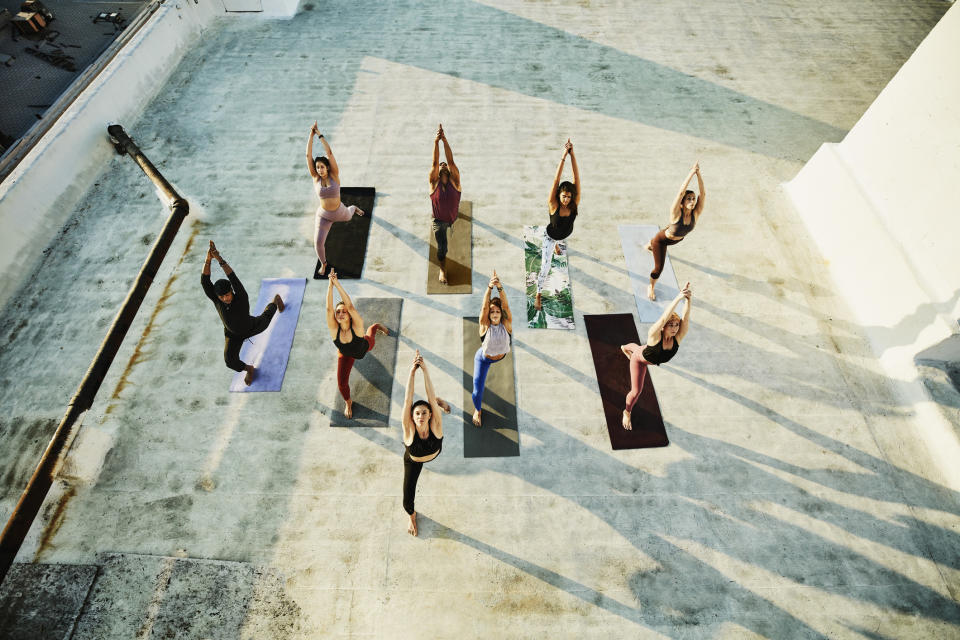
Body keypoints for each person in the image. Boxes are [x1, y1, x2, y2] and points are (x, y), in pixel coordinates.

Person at [201, 241, 284, 385]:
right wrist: (208, 259)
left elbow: (232, 276)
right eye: (222, 297)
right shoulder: (217, 300)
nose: (225, 299)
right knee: (230, 361)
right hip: (232, 334)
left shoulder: (240, 295)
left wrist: (219, 259)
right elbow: (205, 281)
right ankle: (249, 369)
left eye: (227, 295)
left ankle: (275, 301)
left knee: (267, 317)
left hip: (251, 326)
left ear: (231, 291)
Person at [620, 282, 692, 430]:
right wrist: (678, 298)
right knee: (636, 391)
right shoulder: (655, 335)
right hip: (640, 361)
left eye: (676, 325)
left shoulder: (677, 338)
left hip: (647, 352)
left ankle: (625, 348)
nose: (674, 328)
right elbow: (663, 317)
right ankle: (626, 412)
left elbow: (686, 318)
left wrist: (688, 300)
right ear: (664, 326)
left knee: (638, 347)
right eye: (670, 325)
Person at [326, 269, 389, 418]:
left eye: (343, 311)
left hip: (363, 347)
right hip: (346, 354)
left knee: (371, 332)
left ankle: (376, 325)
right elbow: (329, 308)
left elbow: (351, 306)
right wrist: (330, 285)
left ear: (348, 314)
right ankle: (348, 402)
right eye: (338, 312)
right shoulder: (335, 329)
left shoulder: (357, 326)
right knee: (341, 384)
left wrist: (337, 284)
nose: (340, 314)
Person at [401, 350, 451, 536]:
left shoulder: (435, 426)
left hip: (431, 451)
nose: (420, 416)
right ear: (412, 418)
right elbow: (408, 400)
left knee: (433, 400)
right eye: (417, 413)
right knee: (407, 501)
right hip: (413, 461)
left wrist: (425, 370)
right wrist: (413, 372)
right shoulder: (409, 430)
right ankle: (412, 517)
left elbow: (430, 398)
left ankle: (440, 403)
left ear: (430, 414)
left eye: (424, 412)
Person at [307, 121, 365, 277]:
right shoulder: (315, 178)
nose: (319, 170)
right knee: (318, 243)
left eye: (322, 167)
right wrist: (310, 136)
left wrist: (319, 134)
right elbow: (308, 155)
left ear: (327, 167)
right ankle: (324, 263)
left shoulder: (334, 176)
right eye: (317, 167)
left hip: (340, 212)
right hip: (324, 215)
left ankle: (354, 207)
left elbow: (330, 153)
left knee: (349, 213)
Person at [645, 162, 705, 301]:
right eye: (689, 199)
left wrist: (699, 174)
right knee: (658, 269)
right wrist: (691, 172)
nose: (692, 201)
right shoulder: (675, 212)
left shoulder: (695, 214)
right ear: (683, 202)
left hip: (677, 238)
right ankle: (651, 287)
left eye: (693, 199)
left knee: (668, 230)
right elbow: (680, 192)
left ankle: (650, 244)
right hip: (662, 241)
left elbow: (703, 193)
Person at [535, 138, 580, 310]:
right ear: (559, 195)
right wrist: (564, 155)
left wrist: (573, 154)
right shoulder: (553, 204)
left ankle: (557, 245)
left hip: (563, 235)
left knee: (559, 240)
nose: (566, 200)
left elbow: (576, 177)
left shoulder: (575, 203)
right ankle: (538, 294)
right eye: (564, 196)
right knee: (545, 267)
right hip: (549, 236)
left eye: (569, 197)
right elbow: (556, 179)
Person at [472, 270, 513, 427]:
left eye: (497, 311)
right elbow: (483, 308)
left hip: (500, 356)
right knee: (477, 393)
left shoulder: (506, 325)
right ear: (488, 315)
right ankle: (478, 410)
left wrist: (500, 287)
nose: (494, 313)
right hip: (483, 358)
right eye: (492, 311)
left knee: (502, 309)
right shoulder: (484, 326)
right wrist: (489, 288)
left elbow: (507, 306)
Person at [428, 123, 462, 285]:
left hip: (452, 216)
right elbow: (435, 162)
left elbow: (451, 160)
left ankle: (457, 214)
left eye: (445, 165)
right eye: (441, 166)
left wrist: (444, 140)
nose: (443, 165)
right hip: (439, 221)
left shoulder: (455, 182)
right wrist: (436, 142)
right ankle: (442, 269)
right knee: (442, 248)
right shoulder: (433, 184)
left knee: (454, 211)